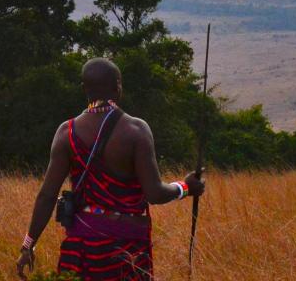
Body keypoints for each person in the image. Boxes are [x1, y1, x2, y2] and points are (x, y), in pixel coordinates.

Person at [17, 57, 205, 280]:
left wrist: (28, 245)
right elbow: (154, 193)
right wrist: (185, 187)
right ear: (118, 86)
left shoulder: (65, 133)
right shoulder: (136, 130)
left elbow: (47, 195)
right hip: (127, 251)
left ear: (84, 88)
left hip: (81, 248)